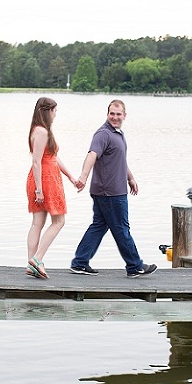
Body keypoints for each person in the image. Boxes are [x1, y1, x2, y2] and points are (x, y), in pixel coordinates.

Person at [70, 99, 157, 278]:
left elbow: (120, 161)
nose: (115, 117)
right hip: (110, 192)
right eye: (112, 114)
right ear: (107, 114)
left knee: (99, 226)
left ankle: (79, 262)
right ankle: (135, 266)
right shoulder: (103, 134)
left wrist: (130, 177)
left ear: (124, 115)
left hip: (112, 190)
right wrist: (83, 177)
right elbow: (91, 155)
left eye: (118, 114)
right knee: (121, 228)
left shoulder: (118, 134)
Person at [26, 97, 78, 278]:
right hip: (46, 179)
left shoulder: (38, 129)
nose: (55, 114)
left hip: (44, 177)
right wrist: (39, 189)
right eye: (54, 111)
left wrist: (70, 176)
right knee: (59, 221)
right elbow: (36, 161)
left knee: (37, 223)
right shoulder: (42, 132)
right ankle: (37, 258)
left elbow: (53, 157)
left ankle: (31, 263)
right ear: (47, 111)